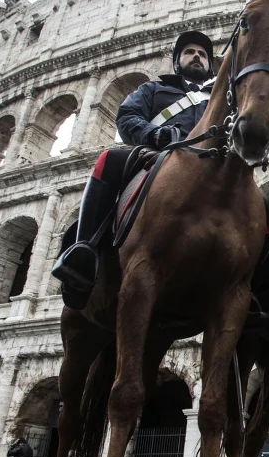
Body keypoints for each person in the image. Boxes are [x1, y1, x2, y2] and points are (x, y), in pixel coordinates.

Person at [51, 31, 216, 308]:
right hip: (157, 154)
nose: (197, 57)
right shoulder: (153, 89)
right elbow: (127, 117)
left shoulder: (219, 97)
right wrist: (155, 134)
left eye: (202, 54)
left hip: (210, 164)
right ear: (177, 63)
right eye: (189, 52)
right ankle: (84, 250)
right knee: (110, 160)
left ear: (211, 66)